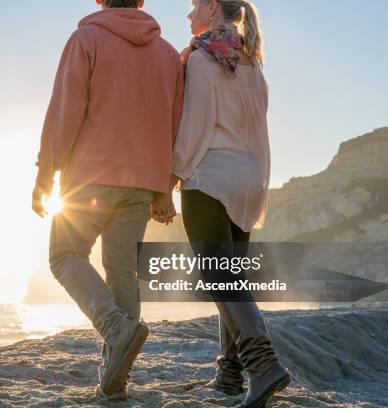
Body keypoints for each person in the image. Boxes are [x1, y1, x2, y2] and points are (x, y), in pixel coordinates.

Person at [31, 0, 184, 400]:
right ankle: (115, 378)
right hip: (141, 183)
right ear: (141, 1)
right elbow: (174, 125)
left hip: (89, 177)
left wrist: (45, 172)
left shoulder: (86, 39)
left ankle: (116, 330)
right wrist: (163, 188)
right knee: (122, 273)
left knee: (64, 256)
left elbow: (65, 112)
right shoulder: (168, 55)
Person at [153, 0, 291, 407]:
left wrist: (170, 178)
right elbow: (259, 135)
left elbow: (194, 128)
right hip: (249, 179)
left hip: (211, 177)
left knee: (218, 278)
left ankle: (264, 366)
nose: (188, 13)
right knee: (233, 280)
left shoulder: (202, 59)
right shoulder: (253, 62)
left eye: (193, 4)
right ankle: (229, 376)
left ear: (211, 7)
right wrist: (258, 187)